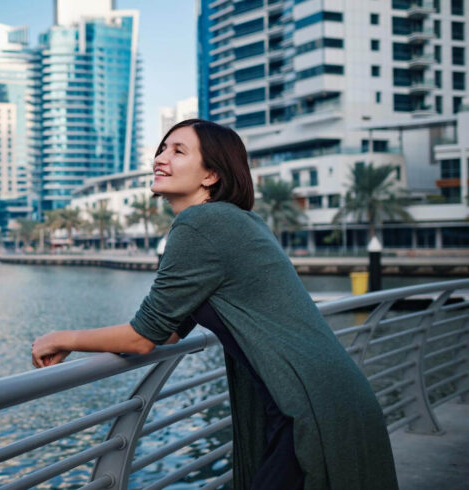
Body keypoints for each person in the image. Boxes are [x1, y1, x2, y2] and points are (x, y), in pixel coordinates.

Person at [30, 119, 397, 490]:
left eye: (178, 151)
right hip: (327, 398)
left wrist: (63, 338)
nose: (160, 158)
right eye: (162, 148)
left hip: (308, 407)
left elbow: (143, 338)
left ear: (211, 175)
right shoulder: (233, 221)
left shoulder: (200, 224)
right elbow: (168, 331)